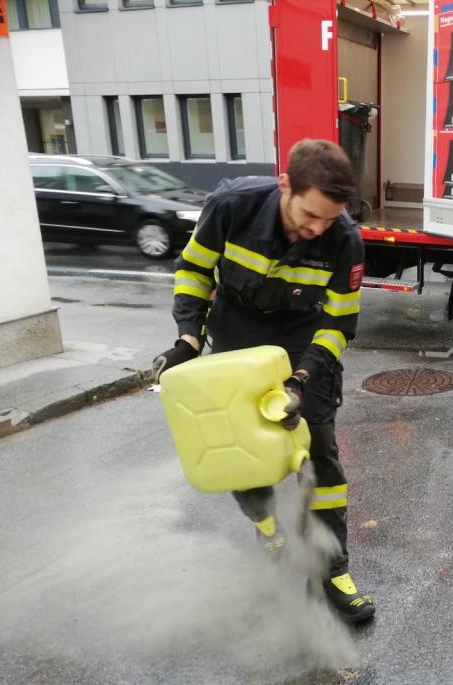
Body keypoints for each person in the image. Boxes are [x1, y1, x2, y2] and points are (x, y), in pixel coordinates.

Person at [152, 139, 374, 623]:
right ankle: (267, 524)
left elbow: (338, 325)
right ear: (285, 184)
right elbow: (194, 270)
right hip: (236, 337)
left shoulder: (344, 240)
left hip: (301, 343)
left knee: (319, 453)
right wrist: (188, 339)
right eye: (310, 215)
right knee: (240, 452)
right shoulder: (232, 207)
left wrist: (300, 381)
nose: (318, 229)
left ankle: (332, 570)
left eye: (329, 219)